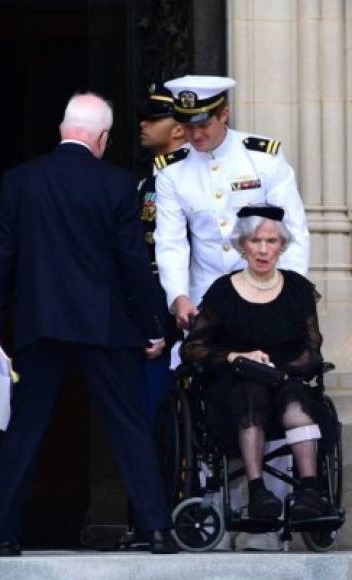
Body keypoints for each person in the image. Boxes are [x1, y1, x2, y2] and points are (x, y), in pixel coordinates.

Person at [0, 93, 177, 556]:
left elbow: (1, 256)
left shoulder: (19, 181)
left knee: (24, 430)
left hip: (40, 325)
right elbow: (131, 262)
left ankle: (5, 535)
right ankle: (158, 529)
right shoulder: (117, 184)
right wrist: (153, 326)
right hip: (103, 326)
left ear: (64, 128)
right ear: (102, 137)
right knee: (129, 427)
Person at [156, 75, 311, 550]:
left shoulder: (261, 158)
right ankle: (215, 513)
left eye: (202, 124)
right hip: (214, 308)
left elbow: (294, 230)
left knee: (278, 389)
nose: (194, 135)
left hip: (267, 296)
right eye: (186, 125)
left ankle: (278, 517)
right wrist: (178, 296)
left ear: (224, 114)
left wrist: (292, 297)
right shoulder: (173, 171)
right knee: (210, 396)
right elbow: (170, 242)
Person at [180, 205, 328, 522]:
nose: (263, 250)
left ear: (282, 247)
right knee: (251, 394)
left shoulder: (298, 289)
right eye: (255, 241)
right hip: (234, 384)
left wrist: (282, 369)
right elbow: (193, 348)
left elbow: (312, 350)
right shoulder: (223, 291)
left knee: (295, 401)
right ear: (242, 245)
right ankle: (258, 491)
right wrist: (236, 357)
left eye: (272, 241)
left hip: (284, 378)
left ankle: (309, 491)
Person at [137, 82, 186, 428]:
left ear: (179, 128)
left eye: (154, 118)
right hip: (152, 303)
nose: (144, 124)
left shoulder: (187, 179)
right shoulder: (147, 183)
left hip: (183, 304)